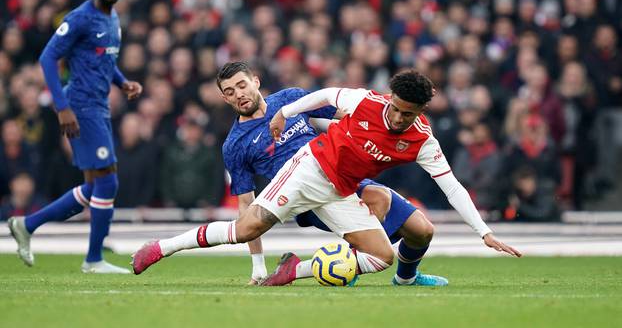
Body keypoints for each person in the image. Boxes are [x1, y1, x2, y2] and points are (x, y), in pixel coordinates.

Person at [132, 67, 520, 282]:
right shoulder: (365, 102)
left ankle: (298, 270)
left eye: (409, 113)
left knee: (383, 256)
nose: (400, 117)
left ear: (255, 81)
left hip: (341, 189)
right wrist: (286, 115)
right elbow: (328, 94)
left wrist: (484, 232)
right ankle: (162, 247)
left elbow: (452, 187)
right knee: (245, 229)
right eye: (229, 90)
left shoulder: (423, 140)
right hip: (308, 171)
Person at [216, 62, 446, 286]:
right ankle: (345, 264)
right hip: (308, 192)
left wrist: (398, 113)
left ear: (255, 81)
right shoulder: (235, 144)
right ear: (225, 98)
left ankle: (405, 278)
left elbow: (348, 113)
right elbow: (246, 205)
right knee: (380, 201)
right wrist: (258, 266)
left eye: (242, 85)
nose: (239, 94)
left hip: (342, 171)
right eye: (230, 91)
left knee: (422, 231)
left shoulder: (288, 99)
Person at [7, 0, 143, 274]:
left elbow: (103, 60)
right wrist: (62, 107)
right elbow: (47, 58)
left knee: (95, 186)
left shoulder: (112, 19)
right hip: (81, 108)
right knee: (108, 181)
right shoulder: (80, 18)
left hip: (99, 107)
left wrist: (123, 83)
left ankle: (27, 225)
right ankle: (94, 259)